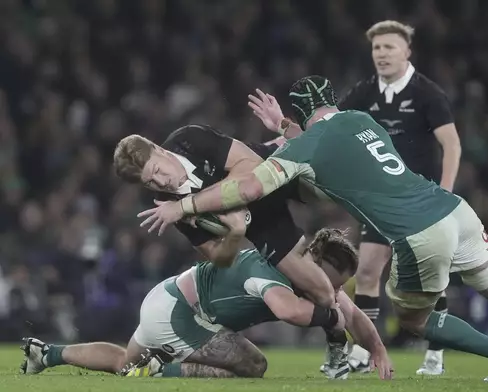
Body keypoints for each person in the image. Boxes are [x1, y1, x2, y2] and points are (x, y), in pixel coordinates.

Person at [139, 75, 488, 382]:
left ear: (297, 115)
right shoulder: (361, 120)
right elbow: (324, 142)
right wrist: (285, 132)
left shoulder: (302, 149)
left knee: (417, 323)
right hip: (454, 210)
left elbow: (248, 190)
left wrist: (184, 208)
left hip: (418, 233)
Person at [249, 20, 460, 376]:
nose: (382, 54)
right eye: (377, 48)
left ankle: (435, 352)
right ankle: (365, 352)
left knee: (430, 275)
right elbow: (323, 132)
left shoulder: (428, 94)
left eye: (389, 47)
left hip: (418, 198)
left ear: (407, 51)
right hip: (377, 199)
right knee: (366, 271)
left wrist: (446, 191)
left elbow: (451, 144)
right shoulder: (363, 93)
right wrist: (283, 127)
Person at [112, 125, 351, 377]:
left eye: (157, 170)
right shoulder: (166, 204)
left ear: (160, 150)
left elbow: (252, 167)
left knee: (338, 181)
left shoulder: (189, 140)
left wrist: (188, 205)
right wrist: (236, 233)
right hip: (266, 220)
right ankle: (339, 344)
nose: (161, 182)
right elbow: (218, 257)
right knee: (324, 294)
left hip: (272, 169)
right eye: (150, 182)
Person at [21, 219, 394, 380]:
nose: (330, 292)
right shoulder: (276, 272)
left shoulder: (300, 265)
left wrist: (375, 346)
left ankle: (47, 353)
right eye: (329, 283)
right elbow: (288, 310)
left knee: (123, 362)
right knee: (253, 365)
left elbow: (348, 310)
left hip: (170, 300)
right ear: (315, 262)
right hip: (182, 313)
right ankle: (158, 370)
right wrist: (330, 321)